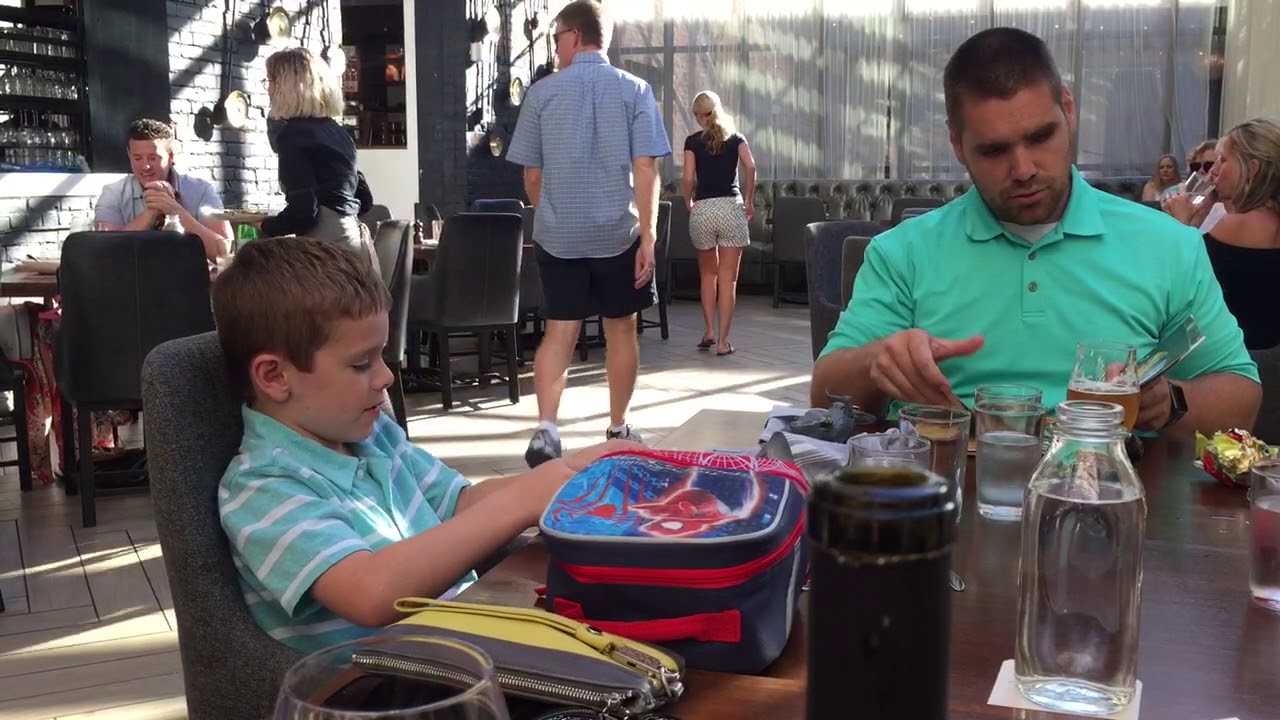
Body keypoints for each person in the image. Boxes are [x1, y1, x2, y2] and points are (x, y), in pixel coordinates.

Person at [811, 27, 1260, 438]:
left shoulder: (1168, 244)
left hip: (1117, 495)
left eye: (1041, 137)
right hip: (949, 495)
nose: (1023, 169)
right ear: (957, 145)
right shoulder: (903, 253)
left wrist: (1171, 402)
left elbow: (1241, 396)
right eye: (993, 150)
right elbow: (824, 397)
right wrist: (878, 363)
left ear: (1068, 111)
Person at [213, 236, 634, 652]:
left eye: (381, 357)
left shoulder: (372, 435)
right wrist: (523, 499)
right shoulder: (263, 485)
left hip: (460, 644)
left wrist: (574, 473)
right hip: (379, 687)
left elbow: (458, 503)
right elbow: (370, 594)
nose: (386, 377)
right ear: (274, 377)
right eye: (361, 364)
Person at [506, 0, 672, 467]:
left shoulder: (541, 95)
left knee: (559, 331)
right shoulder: (637, 91)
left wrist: (551, 214)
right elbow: (646, 169)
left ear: (574, 36)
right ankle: (618, 427)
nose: (555, 47)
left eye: (557, 37)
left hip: (559, 236)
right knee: (622, 330)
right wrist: (648, 238)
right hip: (619, 234)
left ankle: (546, 431)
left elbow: (532, 178)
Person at [1166, 119, 1280, 350]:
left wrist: (1180, 224)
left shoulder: (1236, 225)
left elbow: (1178, 283)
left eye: (1223, 160)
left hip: (1234, 358)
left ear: (1253, 168)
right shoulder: (1268, 219)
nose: (1213, 170)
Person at [255, 47, 374, 259]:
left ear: (287, 87)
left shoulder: (292, 135)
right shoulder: (339, 132)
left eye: (271, 81)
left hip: (325, 251)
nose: (268, 89)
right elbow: (364, 199)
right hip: (354, 242)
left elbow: (304, 211)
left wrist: (266, 225)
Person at [682, 90, 756, 356]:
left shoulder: (692, 142)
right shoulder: (736, 138)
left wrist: (688, 201)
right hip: (730, 209)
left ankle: (708, 331)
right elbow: (750, 166)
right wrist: (748, 200)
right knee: (728, 280)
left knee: (707, 275)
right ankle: (724, 342)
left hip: (703, 209)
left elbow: (689, 177)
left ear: (699, 116)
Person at [93, 118, 231, 262]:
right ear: (129, 154)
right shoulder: (112, 193)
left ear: (170, 156)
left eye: (153, 158)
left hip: (189, 280)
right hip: (131, 282)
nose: (145, 166)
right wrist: (151, 212)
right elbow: (108, 256)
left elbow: (225, 255)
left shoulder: (201, 190)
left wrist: (176, 211)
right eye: (137, 158)